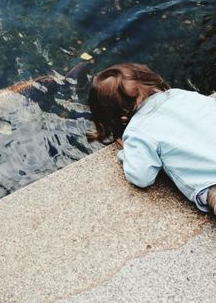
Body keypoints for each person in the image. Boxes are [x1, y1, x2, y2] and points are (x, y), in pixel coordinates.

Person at [87, 63, 216, 214]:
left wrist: (127, 151)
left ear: (119, 118)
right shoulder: (181, 94)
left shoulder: (137, 131)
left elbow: (141, 177)